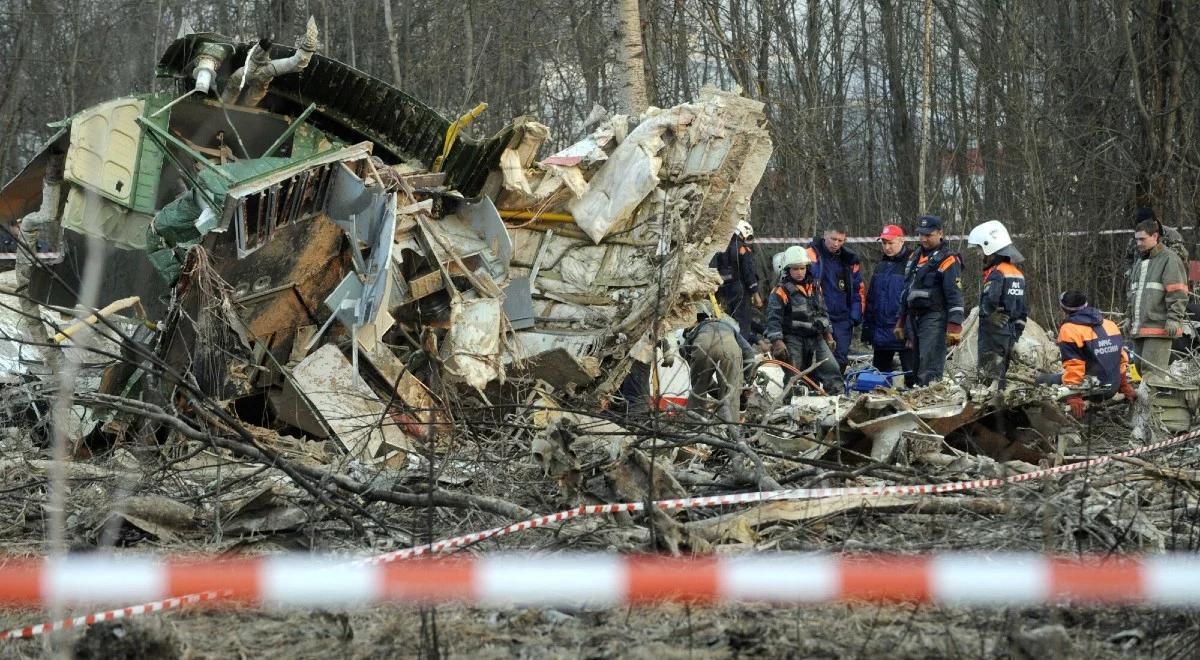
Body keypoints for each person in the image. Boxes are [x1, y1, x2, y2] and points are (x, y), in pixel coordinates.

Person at [1036, 291, 1136, 419]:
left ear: (1064, 309)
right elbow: (1121, 358)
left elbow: (1074, 365)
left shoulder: (1069, 329)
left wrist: (1073, 395)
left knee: (1041, 380)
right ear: (1086, 305)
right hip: (1113, 386)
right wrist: (1123, 384)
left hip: (1092, 389)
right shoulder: (1110, 324)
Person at [895, 214, 965, 386]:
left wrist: (954, 326)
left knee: (930, 361)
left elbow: (955, 295)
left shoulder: (948, 259)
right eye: (921, 235)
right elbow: (907, 291)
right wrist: (901, 321)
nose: (924, 239)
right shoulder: (914, 257)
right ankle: (919, 393)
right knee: (916, 362)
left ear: (940, 233)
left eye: (928, 235)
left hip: (935, 317)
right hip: (913, 316)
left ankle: (930, 393)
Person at [764, 246, 843, 394]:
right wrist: (777, 342)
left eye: (802, 268)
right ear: (788, 269)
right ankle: (790, 407)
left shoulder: (815, 287)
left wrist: (828, 335)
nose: (799, 272)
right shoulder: (780, 291)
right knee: (794, 375)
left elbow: (822, 312)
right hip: (793, 338)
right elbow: (773, 318)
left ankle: (838, 401)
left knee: (832, 369)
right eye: (795, 269)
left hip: (816, 337)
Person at [1126, 218, 1190, 382]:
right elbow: (1132, 294)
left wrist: (1174, 319)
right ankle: (1147, 406)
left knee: (1152, 376)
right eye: (1137, 239)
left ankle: (1153, 407)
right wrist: (1129, 318)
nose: (1138, 243)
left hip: (1159, 329)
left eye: (1142, 239)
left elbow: (1178, 292)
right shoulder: (1140, 262)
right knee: (1140, 373)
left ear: (1155, 236)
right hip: (1140, 330)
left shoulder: (1170, 259)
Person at [966, 220, 1028, 387]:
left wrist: (988, 315)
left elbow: (990, 300)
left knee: (988, 377)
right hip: (1009, 333)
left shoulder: (997, 273)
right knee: (1000, 377)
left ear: (989, 248)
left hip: (993, 333)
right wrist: (1015, 334)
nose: (978, 253)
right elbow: (1022, 311)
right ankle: (999, 405)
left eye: (979, 248)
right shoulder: (1017, 274)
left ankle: (991, 409)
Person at [805, 225, 865, 371]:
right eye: (833, 239)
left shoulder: (849, 259)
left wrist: (855, 316)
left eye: (840, 240)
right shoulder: (810, 255)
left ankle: (835, 390)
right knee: (816, 358)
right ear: (825, 235)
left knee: (840, 359)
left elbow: (859, 290)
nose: (836, 244)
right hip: (817, 316)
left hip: (842, 318)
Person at [680, 313, 756, 422]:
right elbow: (749, 353)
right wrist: (746, 381)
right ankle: (729, 429)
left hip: (702, 345)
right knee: (731, 391)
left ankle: (694, 426)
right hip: (730, 347)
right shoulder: (728, 325)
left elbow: (703, 381)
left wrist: (715, 391)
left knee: (698, 389)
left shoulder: (692, 334)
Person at [862, 224, 914, 377]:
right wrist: (868, 330)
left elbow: (914, 301)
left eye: (891, 243)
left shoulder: (912, 264)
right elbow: (872, 299)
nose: (887, 247)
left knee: (912, 377)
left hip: (902, 330)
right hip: (881, 333)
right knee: (879, 379)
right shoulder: (881, 266)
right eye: (884, 243)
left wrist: (911, 331)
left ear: (902, 241)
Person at [710, 220, 760, 340]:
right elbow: (749, 273)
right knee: (742, 322)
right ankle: (743, 352)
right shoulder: (742, 249)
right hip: (740, 290)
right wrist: (756, 294)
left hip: (722, 291)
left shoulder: (718, 248)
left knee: (727, 320)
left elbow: (712, 269)